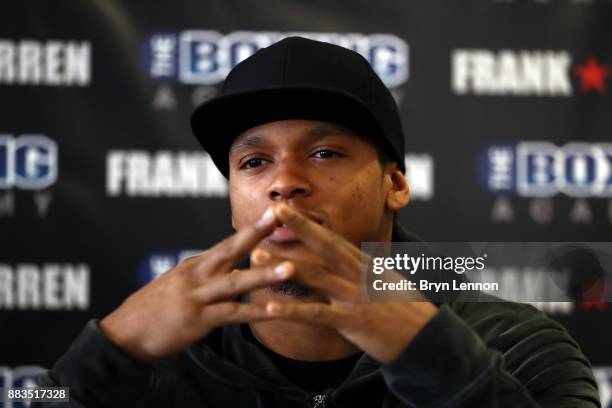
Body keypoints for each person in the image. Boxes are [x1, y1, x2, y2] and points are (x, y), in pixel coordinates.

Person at [33, 37, 600, 408]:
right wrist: (111, 351)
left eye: (325, 152)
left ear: (395, 184)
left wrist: (427, 354)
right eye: (254, 162)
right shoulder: (150, 353)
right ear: (234, 197)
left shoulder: (519, 344)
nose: (284, 182)